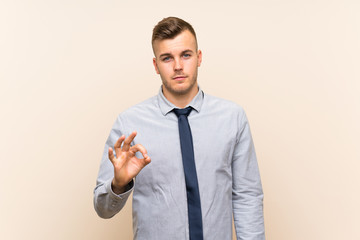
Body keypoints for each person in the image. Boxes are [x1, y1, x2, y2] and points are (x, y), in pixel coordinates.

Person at [94, 17, 265, 240]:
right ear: (156, 65)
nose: (177, 66)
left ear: (199, 57)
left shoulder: (232, 118)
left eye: (186, 55)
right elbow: (103, 209)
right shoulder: (130, 123)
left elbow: (247, 197)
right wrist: (118, 184)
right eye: (167, 58)